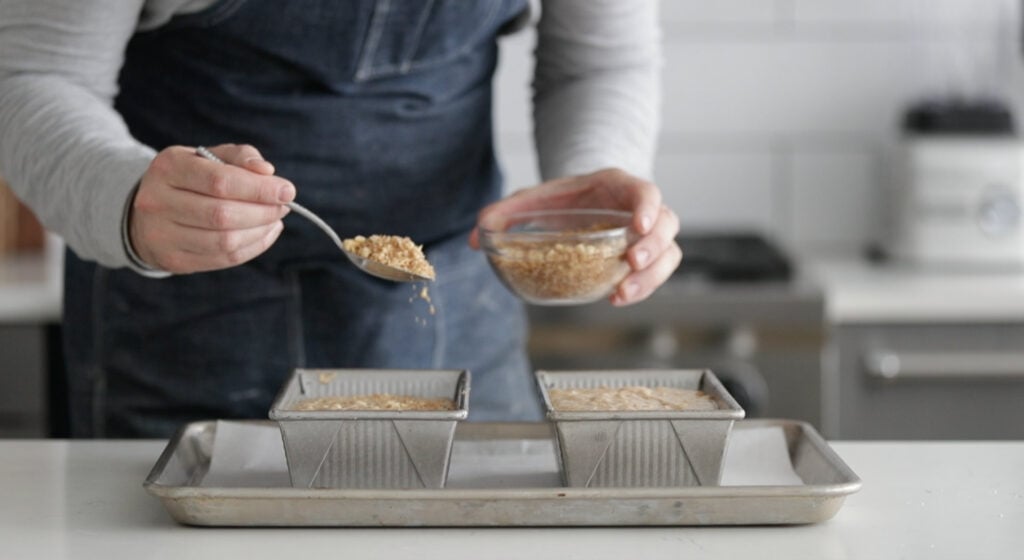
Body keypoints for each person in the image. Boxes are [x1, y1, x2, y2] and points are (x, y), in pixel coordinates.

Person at [0, 0, 680, 438]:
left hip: (459, 306)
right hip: (191, 326)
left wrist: (597, 175)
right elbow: (32, 75)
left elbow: (597, 62)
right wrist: (127, 197)